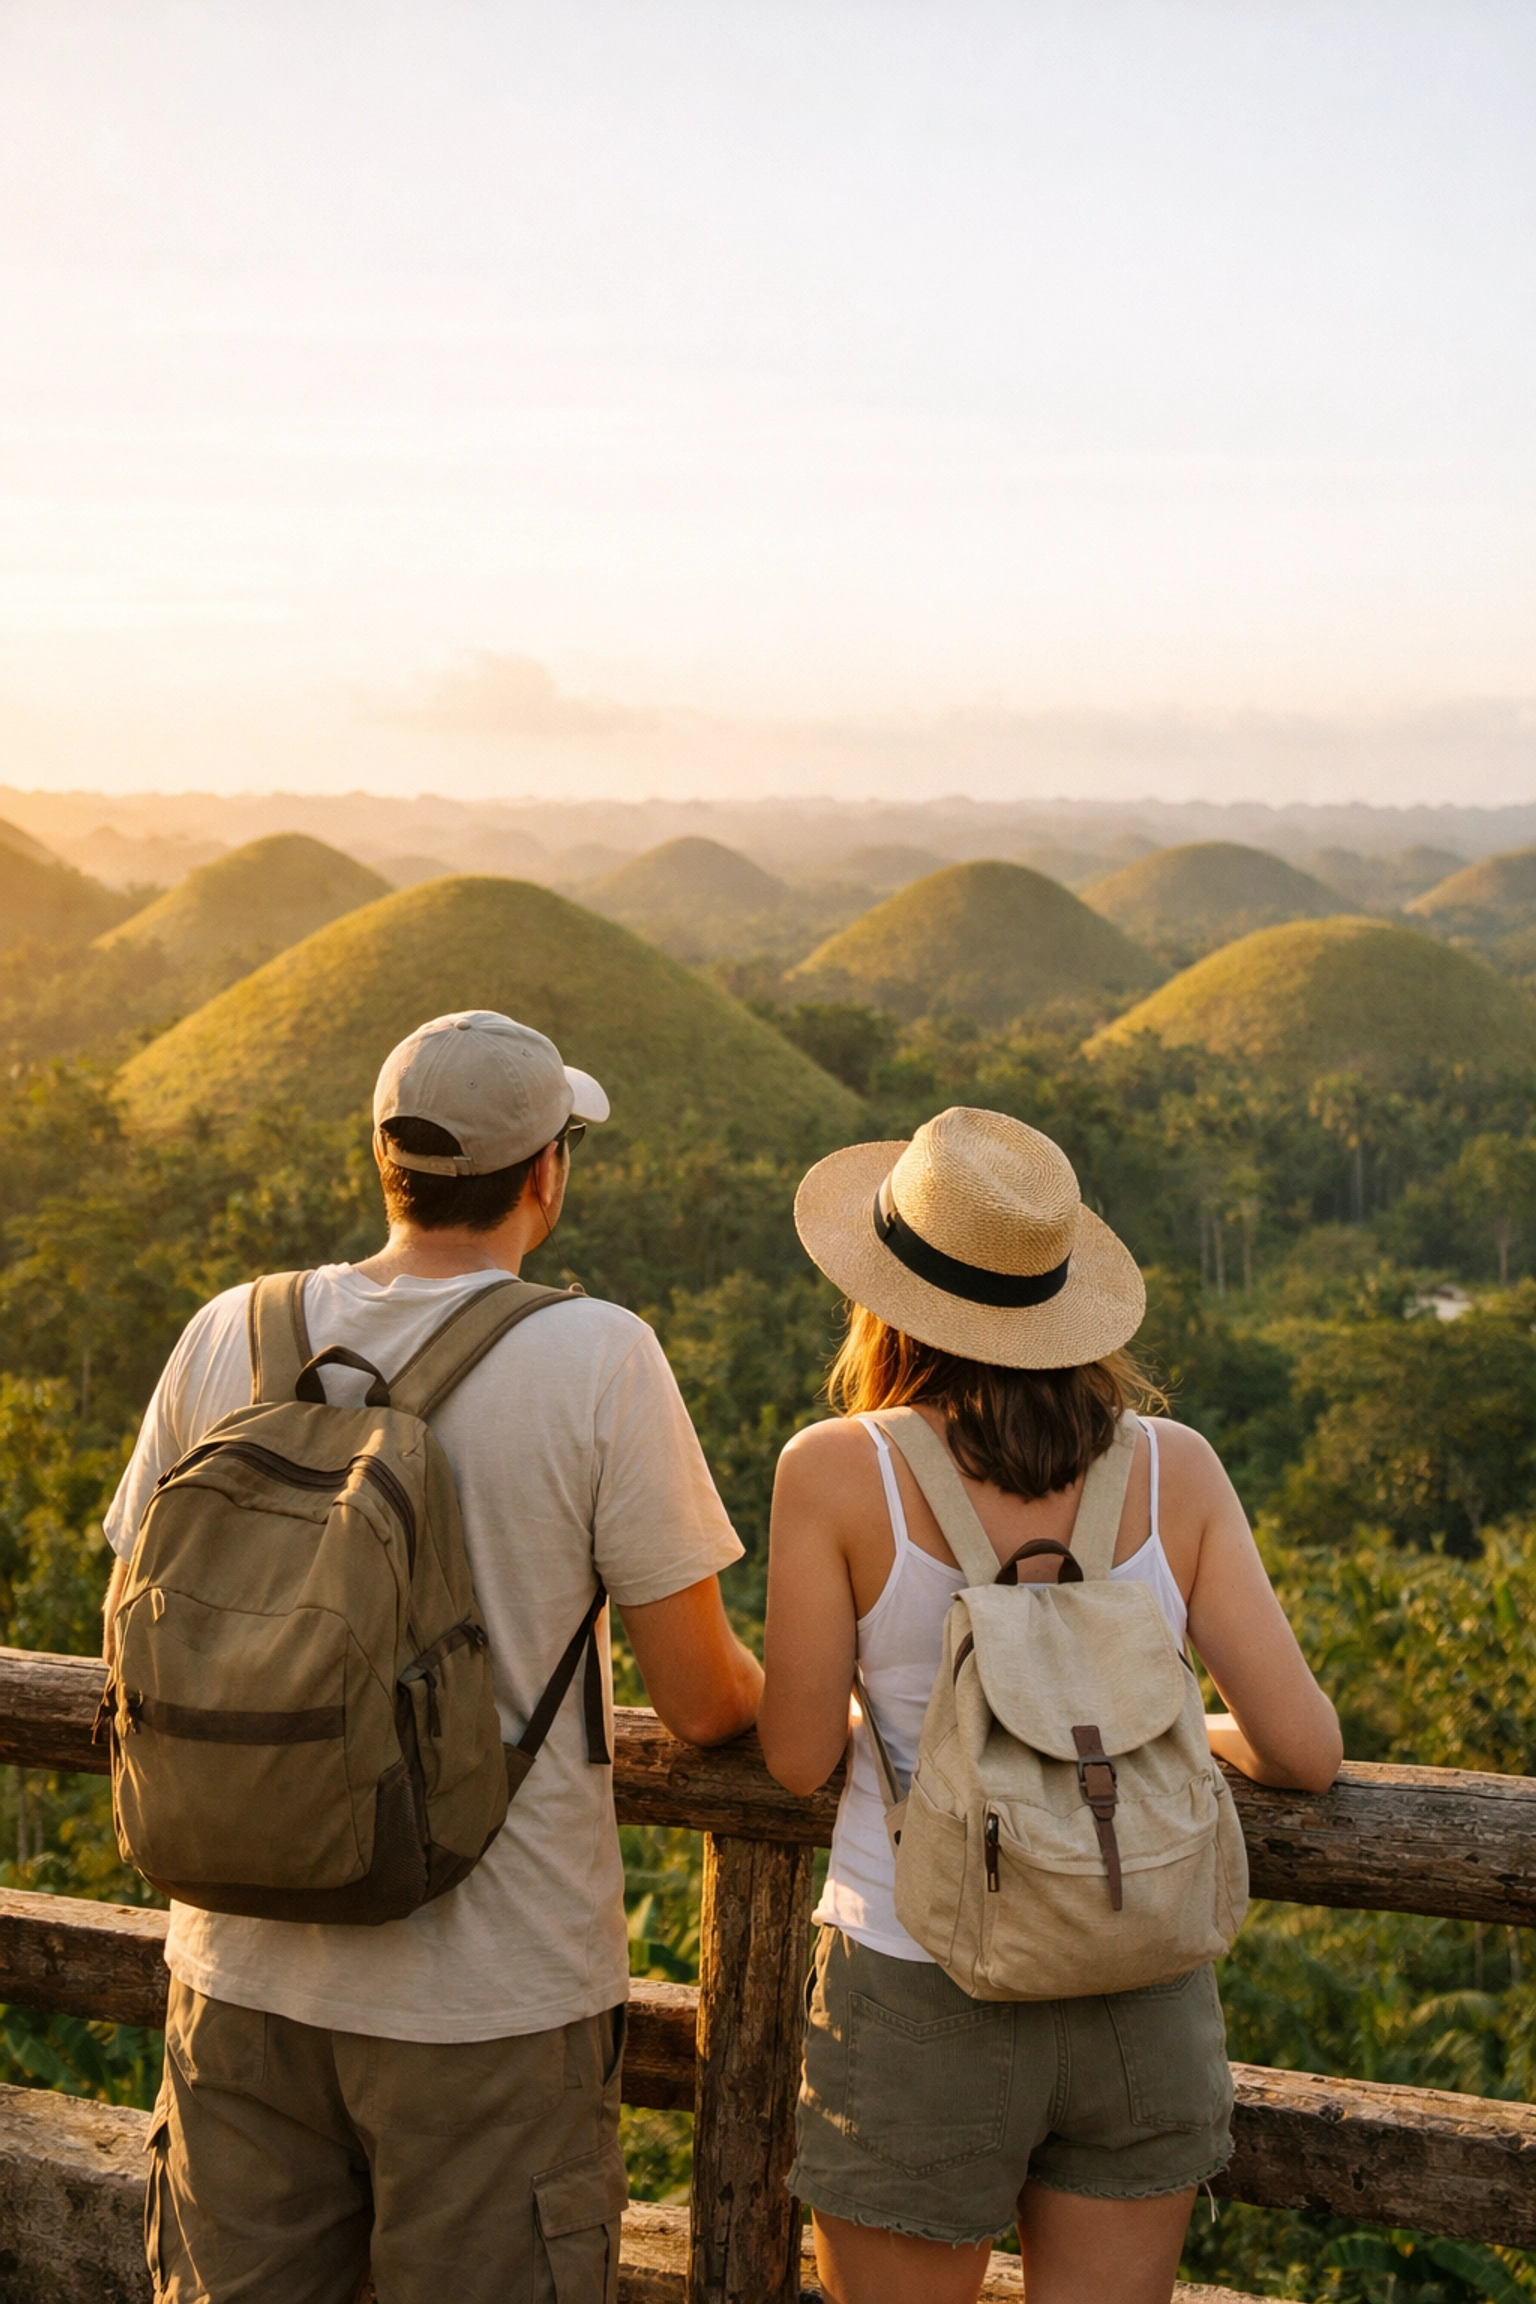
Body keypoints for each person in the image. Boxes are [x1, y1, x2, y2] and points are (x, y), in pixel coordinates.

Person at [102, 1009, 762, 2304]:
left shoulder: (229, 1330)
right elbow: (701, 1698)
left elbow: (136, 1603)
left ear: (384, 1160)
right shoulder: (597, 1356)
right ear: (545, 1175)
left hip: (236, 1977)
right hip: (492, 2004)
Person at [759, 1106, 1341, 2304]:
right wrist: (1170, 1736)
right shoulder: (1175, 1467)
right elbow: (1304, 1749)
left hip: (919, 1978)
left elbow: (799, 1755)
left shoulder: (835, 1470)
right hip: (1138, 1979)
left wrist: (942, 1735)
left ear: (889, 1297)